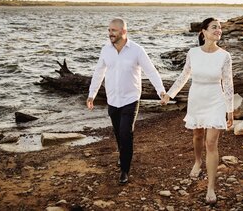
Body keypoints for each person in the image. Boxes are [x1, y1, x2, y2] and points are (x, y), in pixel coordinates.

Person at [161, 17, 234, 205]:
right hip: (197, 99)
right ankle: (197, 161)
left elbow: (228, 84)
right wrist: (170, 94)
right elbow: (184, 76)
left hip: (216, 99)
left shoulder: (224, 56)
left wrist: (230, 110)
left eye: (220, 28)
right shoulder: (193, 53)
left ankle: (211, 187)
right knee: (198, 135)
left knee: (211, 142)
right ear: (203, 31)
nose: (218, 30)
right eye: (214, 27)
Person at [86, 18, 166, 185]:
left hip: (131, 99)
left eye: (113, 30)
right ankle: (123, 155)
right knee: (117, 133)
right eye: (109, 30)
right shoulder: (106, 50)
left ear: (123, 32)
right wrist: (92, 94)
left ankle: (124, 170)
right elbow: (98, 72)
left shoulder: (137, 50)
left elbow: (150, 71)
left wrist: (161, 91)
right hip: (113, 99)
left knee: (126, 133)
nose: (110, 34)